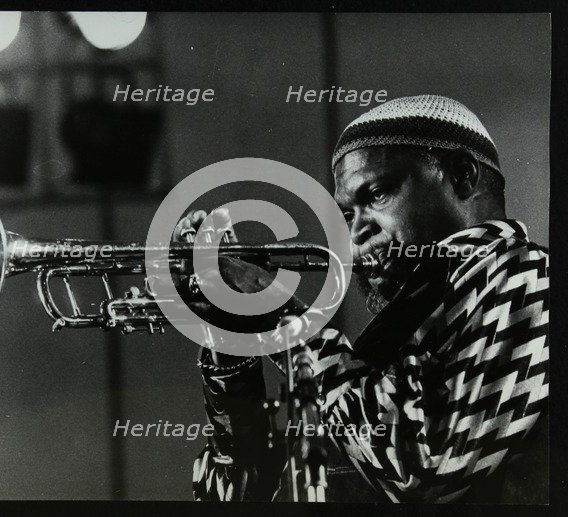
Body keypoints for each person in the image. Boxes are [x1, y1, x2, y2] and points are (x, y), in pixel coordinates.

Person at [174, 95, 549, 503]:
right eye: (347, 216)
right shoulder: (406, 326)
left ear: (462, 176)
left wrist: (280, 316)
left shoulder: (527, 272)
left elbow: (426, 468)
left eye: (377, 195)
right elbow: (240, 498)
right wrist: (230, 341)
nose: (354, 237)